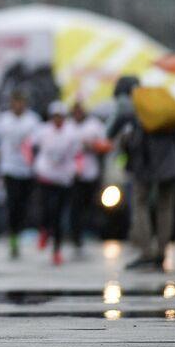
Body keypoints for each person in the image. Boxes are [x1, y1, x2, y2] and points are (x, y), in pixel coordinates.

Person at [115, 77, 175, 271]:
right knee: (166, 208)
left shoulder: (139, 111)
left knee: (140, 204)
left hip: (146, 168)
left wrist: (125, 143)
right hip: (171, 166)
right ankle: (161, 251)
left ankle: (147, 252)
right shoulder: (162, 107)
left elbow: (135, 142)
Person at [0, 90, 40, 257]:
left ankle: (18, 232)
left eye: (21, 102)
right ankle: (13, 236)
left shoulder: (32, 120)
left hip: (26, 169)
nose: (18, 105)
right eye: (15, 102)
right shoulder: (3, 120)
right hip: (9, 168)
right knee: (12, 202)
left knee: (23, 204)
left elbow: (37, 144)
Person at [31, 101, 80, 266]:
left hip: (64, 178)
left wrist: (77, 170)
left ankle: (56, 249)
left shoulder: (72, 133)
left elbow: (78, 154)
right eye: (55, 117)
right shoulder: (43, 131)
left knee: (59, 213)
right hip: (46, 175)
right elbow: (30, 145)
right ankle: (44, 230)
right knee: (47, 208)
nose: (58, 120)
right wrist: (32, 163)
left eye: (61, 117)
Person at [68, 101, 107, 253]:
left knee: (89, 204)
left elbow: (105, 145)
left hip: (90, 173)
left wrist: (91, 146)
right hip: (71, 174)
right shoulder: (68, 126)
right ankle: (75, 235)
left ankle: (89, 231)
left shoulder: (94, 125)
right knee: (74, 206)